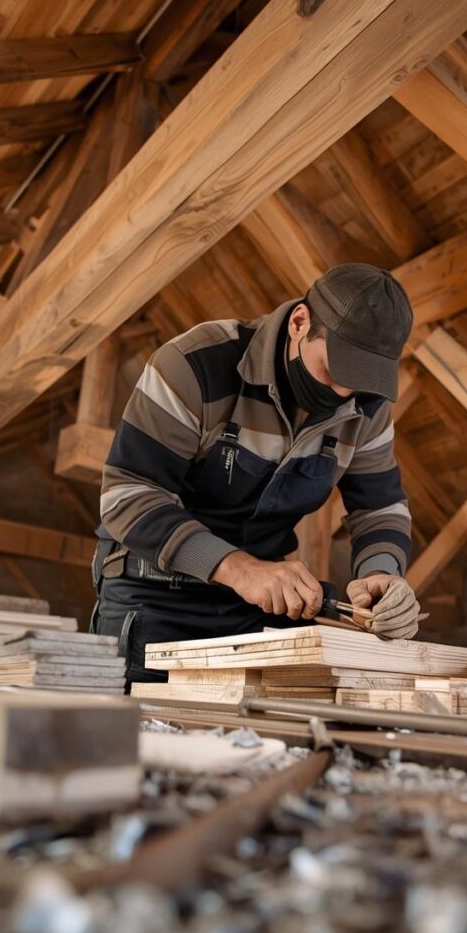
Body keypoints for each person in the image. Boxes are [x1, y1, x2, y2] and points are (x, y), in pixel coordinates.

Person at [91, 263, 422, 685]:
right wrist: (240, 569)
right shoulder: (195, 364)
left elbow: (380, 507)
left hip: (258, 607)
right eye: (336, 370)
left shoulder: (367, 407)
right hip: (155, 592)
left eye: (361, 380)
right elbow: (128, 496)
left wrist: (381, 574)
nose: (344, 393)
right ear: (300, 323)